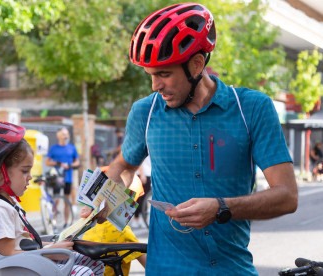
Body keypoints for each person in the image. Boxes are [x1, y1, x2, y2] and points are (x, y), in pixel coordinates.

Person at [81, 3, 298, 275]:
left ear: (196, 64)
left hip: (231, 269)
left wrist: (222, 208)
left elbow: (287, 196)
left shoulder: (252, 108)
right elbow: (124, 167)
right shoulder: (144, 112)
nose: (155, 86)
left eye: (164, 74)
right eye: (151, 75)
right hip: (165, 268)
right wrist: (105, 198)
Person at [0, 121, 104, 276]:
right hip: (29, 269)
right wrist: (50, 252)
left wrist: (54, 245)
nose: (30, 177)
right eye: (25, 171)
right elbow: (6, 256)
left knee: (96, 263)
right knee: (85, 272)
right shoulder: (2, 208)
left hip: (35, 261)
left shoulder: (10, 202)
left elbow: (28, 243)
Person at [45, 128, 80, 226]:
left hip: (68, 177)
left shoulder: (72, 147)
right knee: (56, 199)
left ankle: (66, 222)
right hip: (57, 177)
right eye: (64, 134)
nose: (66, 136)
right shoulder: (53, 148)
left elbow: (77, 161)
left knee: (66, 199)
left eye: (67, 134)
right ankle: (53, 222)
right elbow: (47, 162)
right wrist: (57, 163)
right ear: (58, 136)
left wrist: (70, 165)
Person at [131, 156, 151, 228]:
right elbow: (139, 159)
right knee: (140, 198)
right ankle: (138, 219)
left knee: (143, 198)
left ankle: (139, 219)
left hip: (147, 174)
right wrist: (142, 173)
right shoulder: (146, 145)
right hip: (143, 174)